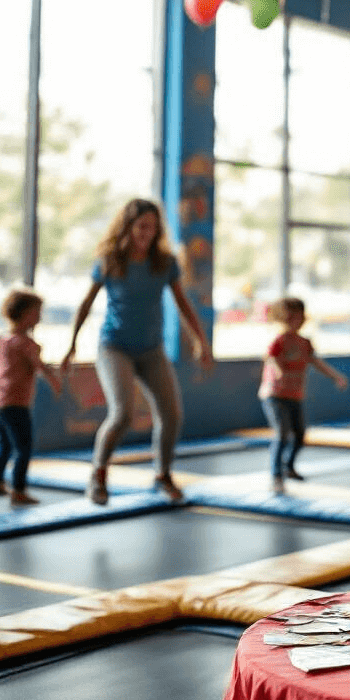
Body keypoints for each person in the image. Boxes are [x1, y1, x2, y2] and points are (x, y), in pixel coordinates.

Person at [62, 198, 212, 506]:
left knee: (171, 416)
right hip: (114, 347)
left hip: (152, 350)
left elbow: (183, 304)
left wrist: (201, 342)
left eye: (153, 228)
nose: (147, 233)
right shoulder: (109, 260)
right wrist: (71, 344)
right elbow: (86, 303)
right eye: (142, 226)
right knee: (122, 414)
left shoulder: (165, 262)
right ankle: (98, 476)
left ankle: (163, 475)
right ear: (127, 226)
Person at [0, 288, 63, 506]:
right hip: (15, 403)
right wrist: (55, 382)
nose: (39, 317)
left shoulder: (2, 338)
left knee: (3, 444)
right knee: (24, 447)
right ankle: (19, 491)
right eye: (36, 312)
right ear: (23, 314)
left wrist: (1, 381)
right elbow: (40, 367)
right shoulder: (28, 344)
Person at [260, 296, 348, 492]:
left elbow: (316, 362)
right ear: (284, 319)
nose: (296, 322)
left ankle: (288, 466)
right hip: (274, 394)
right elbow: (271, 357)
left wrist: (336, 376)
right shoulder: (280, 340)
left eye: (299, 318)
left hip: (295, 395)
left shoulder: (304, 342)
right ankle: (276, 475)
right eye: (291, 318)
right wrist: (278, 370)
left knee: (300, 434)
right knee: (282, 433)